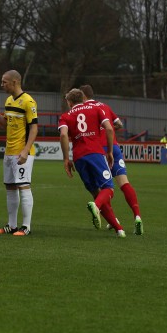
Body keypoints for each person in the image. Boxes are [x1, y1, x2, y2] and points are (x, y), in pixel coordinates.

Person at [58, 88, 126, 237]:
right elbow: (109, 128)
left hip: (79, 157)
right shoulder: (95, 108)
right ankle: (96, 206)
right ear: (83, 98)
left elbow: (63, 135)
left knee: (95, 192)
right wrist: (109, 151)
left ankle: (118, 228)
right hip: (95, 153)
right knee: (108, 187)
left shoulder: (65, 116)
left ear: (69, 102)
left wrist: (66, 159)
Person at [80, 85, 143, 235]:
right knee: (124, 182)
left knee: (102, 188)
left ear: (83, 95)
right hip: (113, 147)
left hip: (97, 150)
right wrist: (110, 128)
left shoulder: (84, 109)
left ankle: (113, 220)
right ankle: (137, 216)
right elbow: (119, 124)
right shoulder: (104, 106)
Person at [0, 70, 38, 236]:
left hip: (23, 152)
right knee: (10, 187)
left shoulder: (28, 101)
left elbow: (34, 128)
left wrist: (25, 150)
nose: (2, 85)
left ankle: (26, 227)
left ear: (14, 82)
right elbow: (6, 125)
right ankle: (12, 225)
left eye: (4, 82)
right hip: (9, 151)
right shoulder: (8, 101)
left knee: (23, 185)